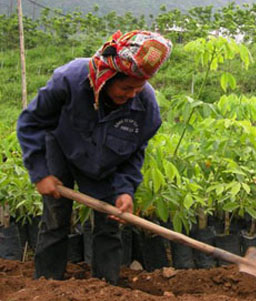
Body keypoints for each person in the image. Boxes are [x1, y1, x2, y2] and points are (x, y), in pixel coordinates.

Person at [17, 30, 172, 284]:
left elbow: (134, 153)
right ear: (107, 77)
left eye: (138, 88)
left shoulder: (147, 108)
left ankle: (105, 288)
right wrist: (41, 172)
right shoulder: (68, 80)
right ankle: (46, 285)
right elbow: (30, 123)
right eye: (125, 88)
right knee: (56, 218)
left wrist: (125, 190)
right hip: (62, 150)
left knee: (110, 224)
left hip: (106, 162)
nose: (132, 94)